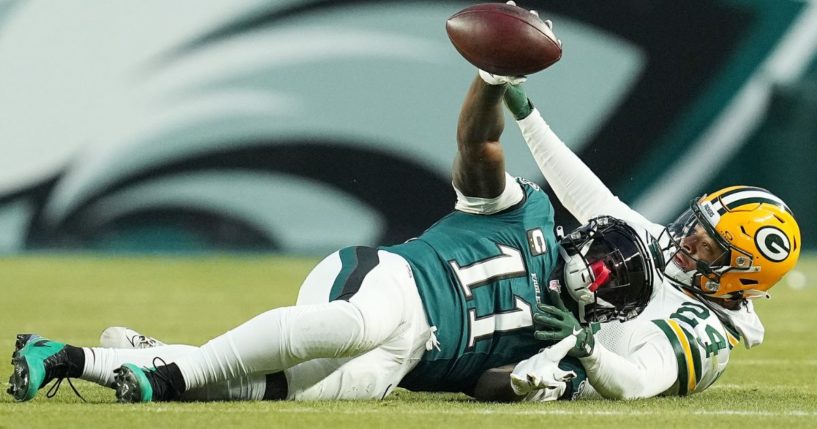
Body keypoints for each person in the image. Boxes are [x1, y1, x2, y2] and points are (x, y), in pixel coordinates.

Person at [6, 74, 660, 403]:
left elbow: (481, 385)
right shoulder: (531, 214)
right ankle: (173, 373)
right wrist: (489, 81)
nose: (598, 274)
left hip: (405, 362)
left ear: (617, 308)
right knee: (358, 323)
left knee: (272, 392)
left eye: (615, 281)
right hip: (390, 281)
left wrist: (528, 381)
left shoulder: (571, 345)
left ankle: (68, 357)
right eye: (605, 258)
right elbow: (475, 146)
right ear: (591, 234)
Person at [469, 55, 801, 400]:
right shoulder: (665, 249)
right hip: (533, 310)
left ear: (740, 276)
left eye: (708, 246)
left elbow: (637, 384)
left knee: (518, 381)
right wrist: (527, 115)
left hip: (577, 367)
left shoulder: (702, 331)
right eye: (696, 227)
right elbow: (586, 195)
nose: (688, 241)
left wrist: (587, 350)